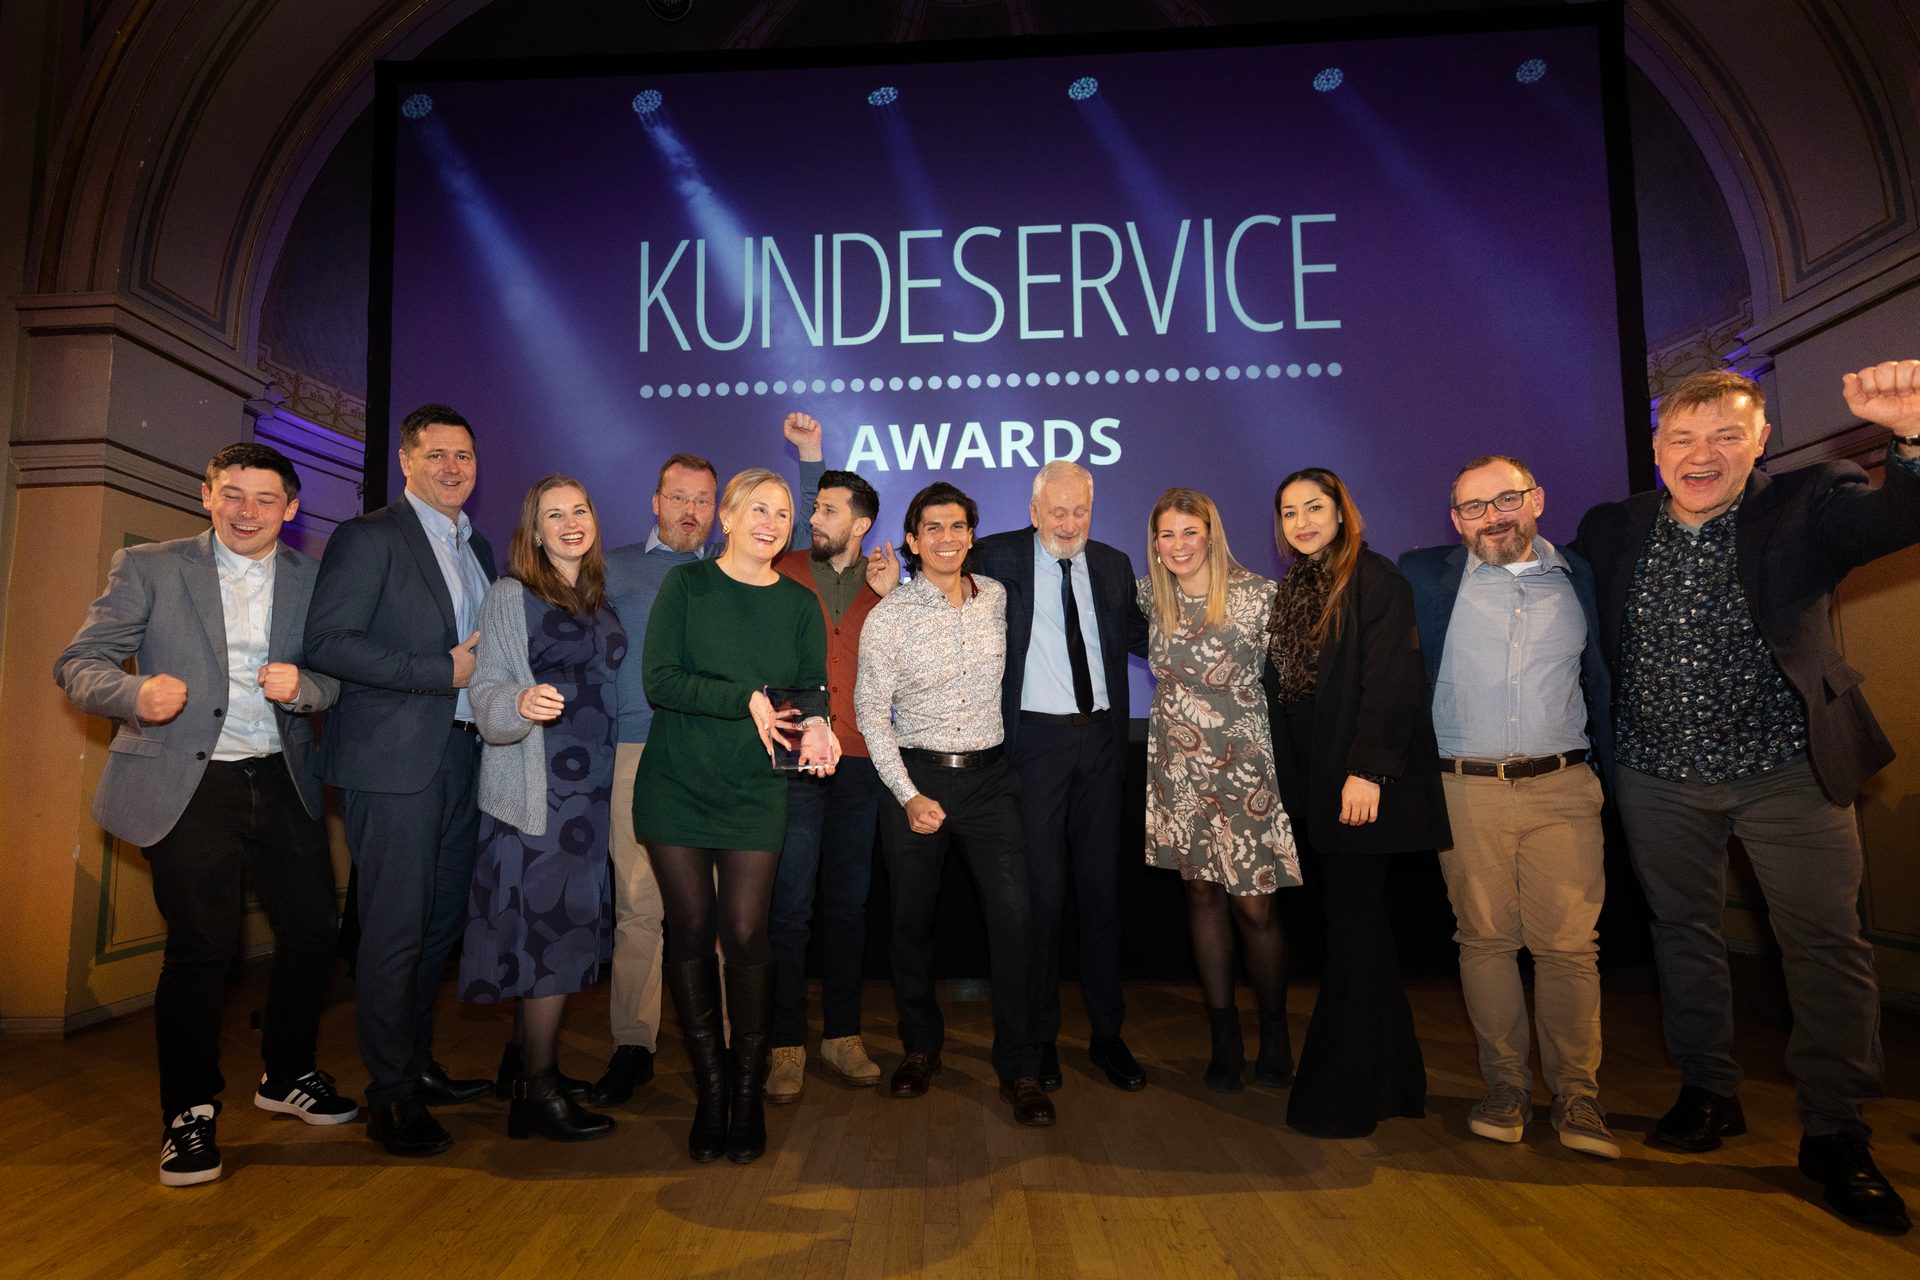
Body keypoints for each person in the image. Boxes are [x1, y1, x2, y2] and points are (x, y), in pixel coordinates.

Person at [1572, 360, 1920, 1233]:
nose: (1703, 454)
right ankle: (1707, 1090)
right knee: (1684, 936)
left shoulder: (1810, 499)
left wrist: (1911, 437)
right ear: (1656, 450)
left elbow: (1899, 517)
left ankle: (1836, 1132)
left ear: (1759, 439)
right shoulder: (1614, 527)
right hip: (1656, 773)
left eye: (1726, 435)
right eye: (1683, 438)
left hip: (1786, 771)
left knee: (1826, 948)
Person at [55, 442, 353, 1186]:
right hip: (188, 783)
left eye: (264, 499)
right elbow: (79, 662)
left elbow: (340, 680)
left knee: (315, 928)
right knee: (203, 947)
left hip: (282, 776)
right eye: (232, 495)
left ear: (291, 509)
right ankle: (188, 1112)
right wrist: (133, 694)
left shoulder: (317, 580)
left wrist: (308, 689)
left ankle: (285, 1075)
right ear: (206, 494)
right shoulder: (152, 566)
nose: (246, 512)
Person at [1399, 456, 1618, 1159]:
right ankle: (1505, 1088)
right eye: (1473, 507)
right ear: (1454, 520)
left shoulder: (1584, 577)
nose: (1492, 516)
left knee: (1568, 948)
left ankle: (1578, 1098)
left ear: (1537, 499)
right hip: (1464, 788)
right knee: (1486, 942)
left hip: (1564, 788)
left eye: (1506, 499)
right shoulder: (1424, 579)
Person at [305, 403, 496, 1158]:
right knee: (392, 930)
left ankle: (414, 1067)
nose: (454, 468)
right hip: (393, 765)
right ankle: (389, 1095)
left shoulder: (475, 546)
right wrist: (435, 671)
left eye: (465, 456)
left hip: (461, 756)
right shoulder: (369, 537)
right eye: (438, 454)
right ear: (406, 460)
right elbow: (327, 642)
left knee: (436, 928)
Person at [632, 467, 836, 1165]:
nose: (771, 522)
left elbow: (810, 697)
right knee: (688, 928)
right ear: (727, 515)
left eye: (783, 513)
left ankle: (747, 1092)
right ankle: (711, 1090)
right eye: (758, 508)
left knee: (747, 932)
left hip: (755, 789)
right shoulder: (686, 587)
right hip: (677, 784)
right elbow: (658, 680)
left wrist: (820, 730)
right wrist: (742, 697)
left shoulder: (801, 605)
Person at [855, 482, 1053, 1128]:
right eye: (932, 528)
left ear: (972, 536)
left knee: (1014, 921)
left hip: (992, 782)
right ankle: (919, 1047)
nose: (947, 538)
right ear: (912, 541)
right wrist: (909, 795)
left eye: (958, 526)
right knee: (911, 923)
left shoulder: (996, 598)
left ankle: (1020, 1066)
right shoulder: (889, 617)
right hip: (918, 775)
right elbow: (869, 714)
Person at [1267, 467, 1451, 1138]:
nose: (1302, 521)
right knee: (1363, 935)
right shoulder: (1296, 588)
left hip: (1363, 789)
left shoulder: (1375, 579)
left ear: (1342, 513)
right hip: (1322, 788)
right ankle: (1394, 1084)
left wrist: (1367, 772)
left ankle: (1340, 1097)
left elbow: (1392, 682)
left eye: (1315, 507)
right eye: (1289, 512)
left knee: (1352, 938)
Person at [458, 475, 625, 1142]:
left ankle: (531, 1071)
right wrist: (517, 706)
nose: (570, 522)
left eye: (579, 509)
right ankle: (537, 1091)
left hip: (589, 799)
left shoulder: (595, 599)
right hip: (539, 799)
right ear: (534, 529)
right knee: (547, 944)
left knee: (565, 938)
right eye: (553, 514)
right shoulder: (511, 595)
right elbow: (486, 691)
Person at [974, 461, 1150, 1093]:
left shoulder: (1112, 562)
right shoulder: (994, 556)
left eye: (1081, 511)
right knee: (1041, 901)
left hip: (1103, 743)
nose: (1070, 524)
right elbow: (937, 592)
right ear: (1033, 511)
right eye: (1058, 512)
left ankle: (1108, 1036)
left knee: (1102, 898)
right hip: (1033, 747)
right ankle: (1038, 1037)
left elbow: (1143, 635)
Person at [1136, 488, 1299, 1093]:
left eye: (1188, 532)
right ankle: (1224, 1038)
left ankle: (1276, 1034)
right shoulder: (1152, 597)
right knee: (1201, 897)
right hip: (1178, 769)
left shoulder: (1259, 597)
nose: (1177, 546)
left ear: (1211, 534)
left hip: (1246, 770)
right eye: (1166, 534)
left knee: (1255, 906)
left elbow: (1293, 680)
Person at [766, 412, 898, 1104]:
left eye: (828, 511)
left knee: (849, 905)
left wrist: (893, 599)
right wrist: (811, 456)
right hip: (792, 760)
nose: (815, 518)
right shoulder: (782, 568)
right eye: (813, 507)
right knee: (789, 908)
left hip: (863, 762)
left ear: (862, 526)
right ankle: (784, 1043)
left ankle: (842, 1035)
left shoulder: (887, 590)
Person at [591, 450, 718, 1108]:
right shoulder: (610, 568)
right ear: (655, 501)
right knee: (640, 909)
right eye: (679, 498)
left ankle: (718, 1042)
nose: (690, 511)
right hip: (636, 755)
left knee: (718, 914)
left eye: (702, 501)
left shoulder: (733, 572)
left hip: (717, 760)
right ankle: (633, 1043)